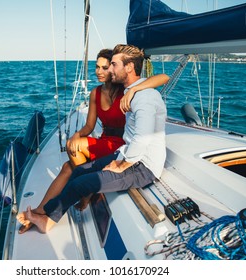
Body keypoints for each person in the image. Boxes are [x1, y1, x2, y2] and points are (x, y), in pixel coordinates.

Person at [17, 44, 167, 233]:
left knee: (80, 183)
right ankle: (43, 213)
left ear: (128, 67)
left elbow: (142, 139)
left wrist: (121, 165)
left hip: (142, 166)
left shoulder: (142, 97)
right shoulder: (130, 91)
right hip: (126, 153)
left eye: (112, 65)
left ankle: (47, 221)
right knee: (77, 172)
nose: (108, 70)